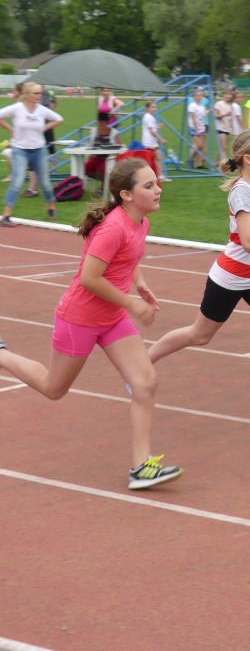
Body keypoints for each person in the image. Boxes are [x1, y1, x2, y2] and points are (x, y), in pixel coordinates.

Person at [0, 158, 182, 490]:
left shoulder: (139, 223)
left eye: (156, 183)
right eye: (149, 185)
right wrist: (132, 303)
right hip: (79, 319)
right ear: (126, 195)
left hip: (112, 319)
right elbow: (89, 278)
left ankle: (141, 466)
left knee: (145, 382)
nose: (158, 189)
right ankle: (2, 355)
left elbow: (129, 257)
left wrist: (140, 284)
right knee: (54, 388)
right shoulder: (113, 228)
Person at [143, 129, 250, 429]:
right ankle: (143, 363)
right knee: (199, 335)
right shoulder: (242, 192)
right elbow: (248, 241)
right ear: (248, 159)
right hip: (231, 278)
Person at [0, 82, 63, 227]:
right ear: (26, 94)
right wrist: (10, 129)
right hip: (20, 150)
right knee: (17, 181)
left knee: (45, 182)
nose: (39, 96)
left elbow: (59, 119)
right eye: (36, 93)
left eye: (40, 93)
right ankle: (6, 215)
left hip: (38, 150)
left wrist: (46, 127)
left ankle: (51, 207)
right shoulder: (17, 108)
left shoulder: (42, 110)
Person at [141, 101, 170, 182]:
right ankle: (155, 177)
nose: (154, 109)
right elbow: (152, 132)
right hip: (149, 142)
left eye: (155, 107)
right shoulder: (148, 117)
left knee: (158, 158)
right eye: (152, 107)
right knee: (154, 159)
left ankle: (160, 176)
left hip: (152, 142)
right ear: (147, 108)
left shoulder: (149, 117)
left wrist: (157, 127)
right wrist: (161, 139)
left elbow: (151, 128)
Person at [187, 89, 210, 168]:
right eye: (198, 95)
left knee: (201, 145)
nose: (199, 97)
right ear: (194, 96)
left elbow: (202, 117)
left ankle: (191, 159)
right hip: (194, 127)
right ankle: (190, 159)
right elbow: (193, 118)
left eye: (201, 95)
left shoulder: (201, 106)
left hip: (201, 127)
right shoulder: (192, 105)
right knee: (199, 145)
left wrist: (202, 127)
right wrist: (196, 129)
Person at [214, 89, 235, 163]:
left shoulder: (231, 105)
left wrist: (232, 129)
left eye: (230, 95)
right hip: (220, 128)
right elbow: (216, 116)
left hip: (227, 128)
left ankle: (215, 162)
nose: (228, 96)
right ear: (223, 95)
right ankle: (225, 164)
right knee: (224, 147)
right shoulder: (219, 104)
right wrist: (226, 114)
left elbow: (231, 119)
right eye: (227, 94)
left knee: (221, 147)